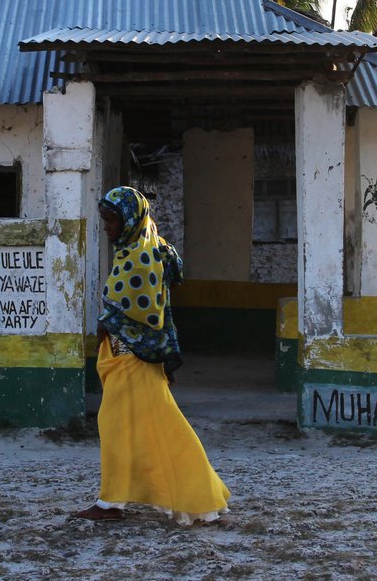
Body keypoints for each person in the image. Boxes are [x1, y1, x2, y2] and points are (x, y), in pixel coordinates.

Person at [74, 186, 231, 525]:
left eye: (112, 220)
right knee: (136, 428)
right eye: (105, 220)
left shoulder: (141, 256)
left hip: (134, 359)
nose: (107, 227)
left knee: (140, 428)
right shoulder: (136, 249)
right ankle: (116, 500)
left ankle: (118, 502)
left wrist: (108, 320)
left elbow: (148, 313)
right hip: (127, 359)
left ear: (129, 219)